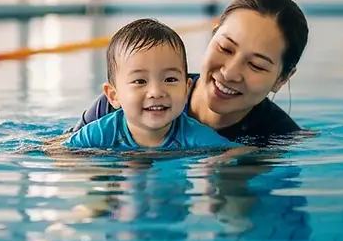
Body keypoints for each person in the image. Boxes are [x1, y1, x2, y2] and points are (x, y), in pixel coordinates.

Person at [68, 0, 309, 146]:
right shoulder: (124, 101)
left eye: (256, 65)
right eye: (225, 48)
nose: (229, 72)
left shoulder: (276, 138)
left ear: (282, 78)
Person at [64, 18, 239, 150]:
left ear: (186, 89)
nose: (156, 92)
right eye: (140, 81)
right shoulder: (102, 133)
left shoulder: (195, 135)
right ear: (113, 96)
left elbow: (235, 153)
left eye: (170, 79)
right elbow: (64, 156)